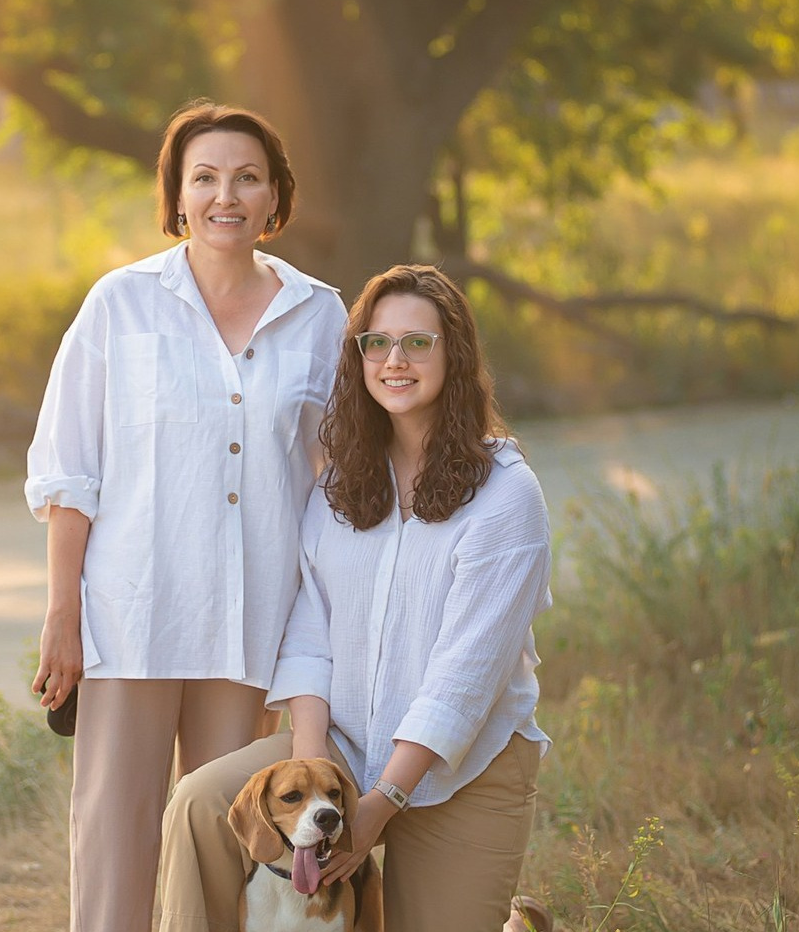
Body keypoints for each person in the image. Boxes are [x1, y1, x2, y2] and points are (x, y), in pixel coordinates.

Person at [25, 99, 348, 932]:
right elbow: (70, 472)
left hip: (253, 624)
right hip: (132, 614)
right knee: (114, 831)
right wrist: (63, 614)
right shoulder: (118, 306)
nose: (225, 196)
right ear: (175, 197)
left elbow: (341, 482)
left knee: (230, 838)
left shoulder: (319, 316)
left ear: (276, 197)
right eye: (203, 178)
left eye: (247, 177)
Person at [159, 264, 554, 932]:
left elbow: (463, 680)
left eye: (418, 343)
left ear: (454, 356)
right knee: (199, 803)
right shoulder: (342, 482)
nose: (394, 360)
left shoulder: (506, 496)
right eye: (378, 343)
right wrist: (315, 775)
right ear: (359, 357)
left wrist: (376, 808)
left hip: (466, 768)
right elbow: (310, 630)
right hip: (341, 746)